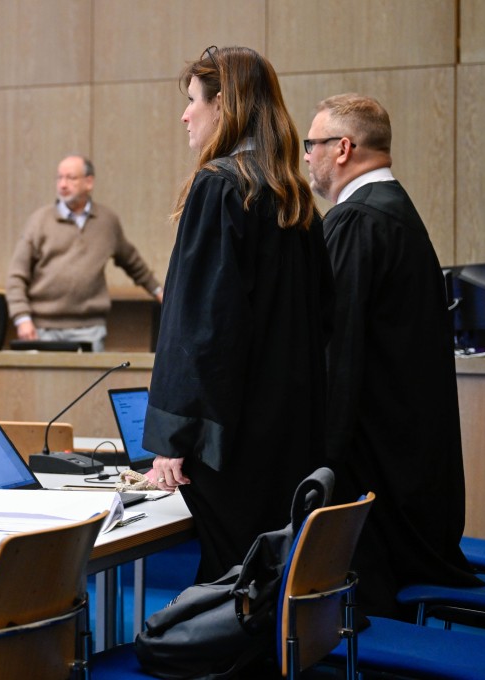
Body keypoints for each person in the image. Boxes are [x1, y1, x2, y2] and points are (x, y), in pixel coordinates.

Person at [144, 47, 333, 585]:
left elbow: (200, 328)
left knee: (231, 595)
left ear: (223, 105)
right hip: (290, 436)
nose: (185, 115)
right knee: (271, 586)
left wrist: (173, 441)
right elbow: (322, 322)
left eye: (191, 102)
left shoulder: (221, 186)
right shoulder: (294, 198)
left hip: (233, 448)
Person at [304, 93, 481, 617]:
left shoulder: (358, 220)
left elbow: (337, 354)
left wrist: (319, 464)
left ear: (342, 148)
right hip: (411, 473)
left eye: (310, 145)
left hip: (374, 486)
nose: (306, 158)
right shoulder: (394, 211)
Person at [5, 155, 162, 352]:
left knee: (89, 384)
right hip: (43, 328)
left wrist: (159, 292)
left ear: (89, 182)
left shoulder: (107, 222)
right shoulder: (39, 221)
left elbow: (133, 263)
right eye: (59, 178)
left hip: (90, 329)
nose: (63, 184)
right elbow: (16, 277)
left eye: (70, 178)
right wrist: (22, 319)